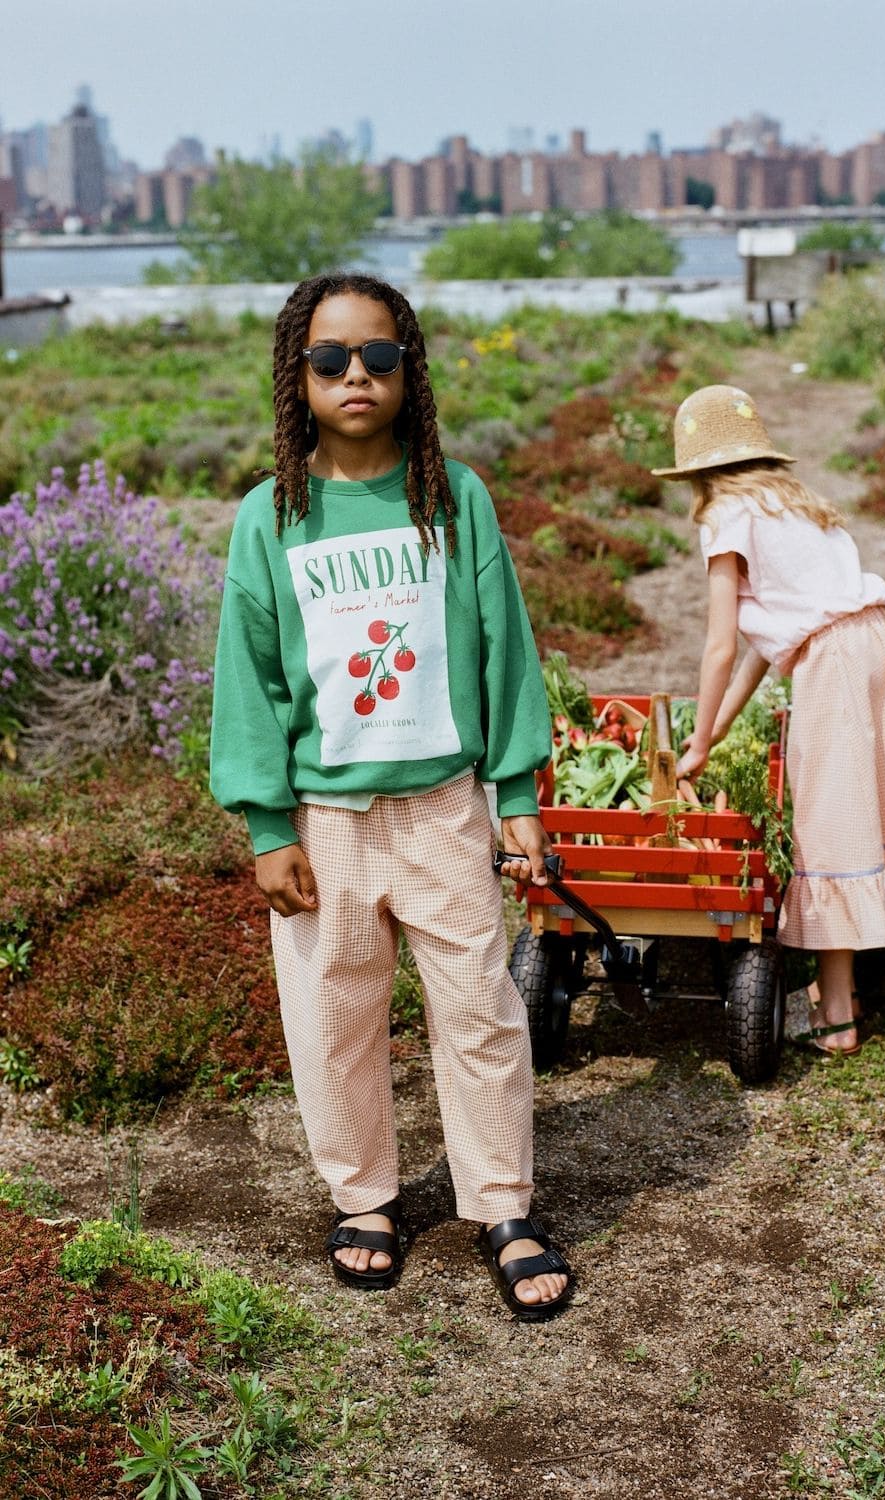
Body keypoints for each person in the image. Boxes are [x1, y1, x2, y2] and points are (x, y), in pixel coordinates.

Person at [210, 271, 571, 1319]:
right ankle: (363, 1199)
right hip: (326, 824)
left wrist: (517, 796)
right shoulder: (269, 516)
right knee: (333, 1019)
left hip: (446, 807)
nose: (355, 375)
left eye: (378, 356)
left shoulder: (452, 497)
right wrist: (268, 824)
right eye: (330, 360)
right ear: (298, 376)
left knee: (480, 1011)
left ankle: (500, 1203)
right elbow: (252, 677)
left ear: (410, 371)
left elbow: (504, 651)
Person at [655, 385, 885, 1055]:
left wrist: (699, 738)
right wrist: (717, 733)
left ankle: (839, 1016)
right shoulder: (797, 505)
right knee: (867, 801)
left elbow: (721, 645)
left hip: (835, 660)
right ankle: (841, 988)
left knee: (830, 818)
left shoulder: (725, 515)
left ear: (698, 471)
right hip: (878, 641)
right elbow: (770, 648)